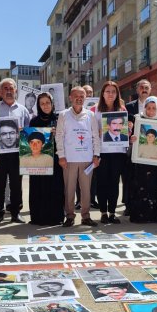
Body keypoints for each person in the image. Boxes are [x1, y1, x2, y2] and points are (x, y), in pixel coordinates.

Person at [56, 86, 100, 227]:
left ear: (85, 98)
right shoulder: (63, 115)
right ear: (70, 97)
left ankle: (85, 216)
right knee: (69, 190)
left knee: (86, 190)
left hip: (87, 159)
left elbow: (95, 136)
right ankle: (69, 216)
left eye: (82, 96)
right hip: (69, 160)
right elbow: (59, 136)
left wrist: (96, 155)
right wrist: (61, 156)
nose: (79, 98)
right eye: (76, 96)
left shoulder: (90, 115)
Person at [0, 78, 30, 224]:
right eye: (5, 88)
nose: (8, 91)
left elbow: (28, 132)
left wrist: (22, 132)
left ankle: (15, 212)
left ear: (16, 90)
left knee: (16, 183)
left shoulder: (23, 110)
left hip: (17, 153)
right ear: (0, 91)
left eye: (11, 88)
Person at [128, 97, 157, 223]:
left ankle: (156, 215)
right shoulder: (137, 120)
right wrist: (132, 139)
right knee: (141, 187)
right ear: (144, 108)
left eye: (154, 108)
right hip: (140, 164)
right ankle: (140, 215)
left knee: (156, 187)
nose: (151, 111)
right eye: (148, 108)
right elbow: (130, 135)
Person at [93, 81, 127, 224]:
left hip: (118, 152)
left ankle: (112, 212)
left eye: (113, 91)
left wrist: (128, 128)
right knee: (102, 183)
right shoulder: (95, 110)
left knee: (114, 183)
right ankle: (103, 212)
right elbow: (91, 132)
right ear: (102, 93)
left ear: (117, 94)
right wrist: (98, 132)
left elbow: (124, 131)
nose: (111, 94)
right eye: (108, 91)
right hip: (102, 152)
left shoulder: (122, 108)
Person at [29, 92, 65, 226]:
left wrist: (58, 134)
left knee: (55, 188)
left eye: (48, 103)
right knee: (39, 188)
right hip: (38, 160)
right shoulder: (34, 121)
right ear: (38, 105)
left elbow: (66, 138)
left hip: (55, 160)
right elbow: (29, 141)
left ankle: (56, 217)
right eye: (42, 103)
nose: (45, 106)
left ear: (52, 104)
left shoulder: (59, 119)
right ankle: (38, 218)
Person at [122, 79, 152, 213]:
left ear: (150, 89)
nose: (144, 89)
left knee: (147, 177)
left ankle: (148, 204)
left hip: (150, 147)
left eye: (146, 87)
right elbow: (123, 128)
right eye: (141, 87)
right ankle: (129, 205)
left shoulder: (156, 105)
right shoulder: (129, 107)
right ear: (137, 90)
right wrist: (129, 133)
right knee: (130, 177)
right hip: (133, 146)